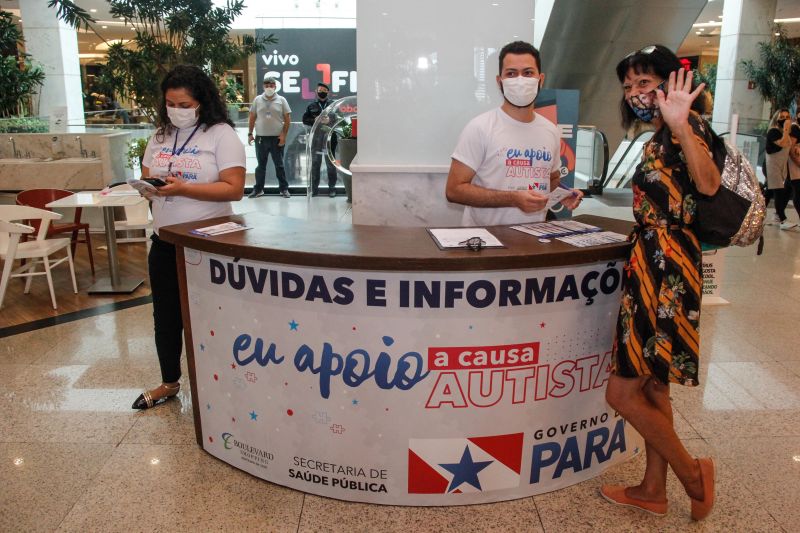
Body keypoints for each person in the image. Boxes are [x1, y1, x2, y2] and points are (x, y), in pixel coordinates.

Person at [602, 45, 720, 521]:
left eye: (644, 83)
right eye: (629, 86)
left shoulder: (686, 129)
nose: (635, 93)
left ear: (671, 83)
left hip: (668, 266)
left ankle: (693, 475)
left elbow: (708, 185)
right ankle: (653, 489)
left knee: (621, 391)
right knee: (653, 388)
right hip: (649, 261)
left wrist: (680, 124)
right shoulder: (655, 138)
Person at [132, 65, 245, 410]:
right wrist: (148, 189)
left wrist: (185, 189)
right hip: (166, 241)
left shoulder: (220, 134)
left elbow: (234, 188)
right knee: (166, 316)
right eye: (170, 103)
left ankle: (226, 381)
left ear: (201, 101)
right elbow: (149, 175)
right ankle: (169, 382)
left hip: (209, 243)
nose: (176, 110)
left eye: (184, 103)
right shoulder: (160, 135)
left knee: (213, 316)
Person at [445, 41, 582, 226]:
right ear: (499, 81)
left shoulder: (550, 130)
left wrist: (561, 195)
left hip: (532, 240)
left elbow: (551, 178)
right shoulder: (480, 127)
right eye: (511, 73)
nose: (520, 80)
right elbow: (454, 190)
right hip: (484, 243)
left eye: (527, 73)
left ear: (540, 79)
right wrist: (513, 198)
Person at [248, 76, 292, 198]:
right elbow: (252, 117)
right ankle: (258, 189)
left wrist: (283, 135)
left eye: (271, 85)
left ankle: (284, 189)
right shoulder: (257, 100)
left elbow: (288, 119)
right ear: (263, 87)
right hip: (261, 138)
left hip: (277, 138)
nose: (269, 88)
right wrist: (250, 133)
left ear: (275, 87)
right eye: (266, 85)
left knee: (279, 165)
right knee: (260, 166)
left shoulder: (281, 100)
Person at [302, 83, 338, 197]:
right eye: (319, 90)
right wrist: (315, 120)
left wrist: (330, 120)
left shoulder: (333, 105)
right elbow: (304, 120)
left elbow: (339, 117)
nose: (321, 91)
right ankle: (314, 189)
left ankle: (332, 189)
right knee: (315, 164)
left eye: (324, 90)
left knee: (331, 164)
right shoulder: (311, 105)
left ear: (328, 92)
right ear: (316, 92)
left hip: (329, 139)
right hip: (316, 139)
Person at [765, 109, 795, 229]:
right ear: (776, 118)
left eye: (787, 117)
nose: (785, 119)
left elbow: (789, 145)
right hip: (771, 165)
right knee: (779, 191)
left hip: (779, 166)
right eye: (782, 117)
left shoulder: (784, 132)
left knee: (768, 193)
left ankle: (756, 216)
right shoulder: (774, 131)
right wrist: (787, 130)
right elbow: (782, 144)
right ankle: (782, 219)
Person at [787, 114, 800, 225]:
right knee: (797, 191)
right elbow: (791, 149)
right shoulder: (795, 127)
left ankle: (779, 214)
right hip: (794, 165)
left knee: (783, 191)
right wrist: (797, 162)